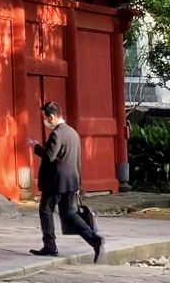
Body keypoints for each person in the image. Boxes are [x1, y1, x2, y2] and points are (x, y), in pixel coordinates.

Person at [28, 101, 105, 262]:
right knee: (68, 213)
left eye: (45, 118)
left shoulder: (57, 134)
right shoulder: (73, 133)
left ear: (51, 117)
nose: (45, 122)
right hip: (71, 181)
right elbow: (77, 160)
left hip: (56, 181)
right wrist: (79, 182)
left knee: (45, 210)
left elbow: (49, 156)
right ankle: (94, 239)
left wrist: (36, 147)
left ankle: (50, 246)